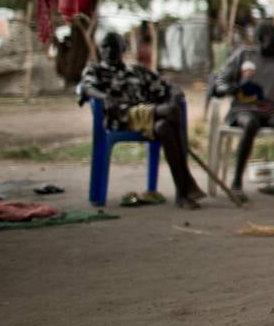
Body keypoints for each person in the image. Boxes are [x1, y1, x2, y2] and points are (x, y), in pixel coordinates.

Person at [79, 32, 205, 209]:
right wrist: (104, 96)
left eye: (113, 46)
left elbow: (167, 86)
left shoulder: (137, 70)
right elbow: (87, 88)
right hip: (122, 118)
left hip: (148, 117)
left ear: (123, 49)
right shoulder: (96, 70)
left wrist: (175, 94)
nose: (108, 51)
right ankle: (187, 181)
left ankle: (182, 194)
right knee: (171, 111)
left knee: (165, 127)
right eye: (105, 46)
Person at [210, 21, 274, 201]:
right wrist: (227, 88)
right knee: (251, 123)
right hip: (243, 110)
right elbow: (221, 80)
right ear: (259, 40)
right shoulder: (243, 55)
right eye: (271, 40)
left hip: (269, 111)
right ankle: (236, 182)